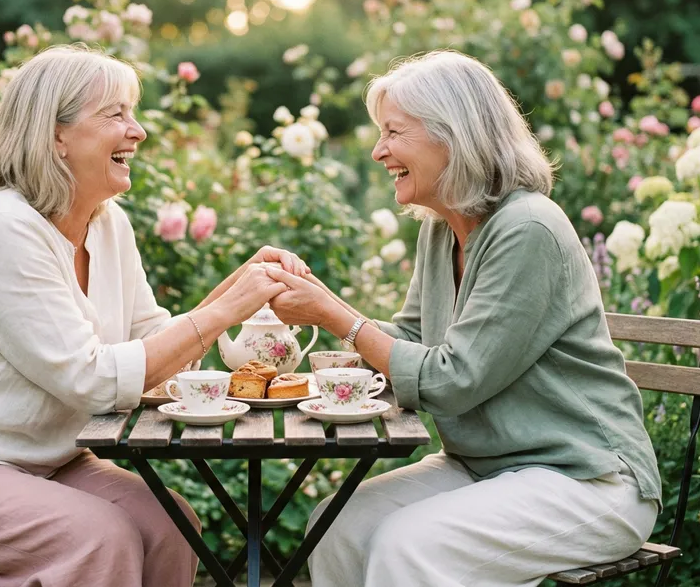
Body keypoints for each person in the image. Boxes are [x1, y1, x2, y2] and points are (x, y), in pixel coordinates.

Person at [0, 45, 305, 587]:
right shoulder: (4, 228)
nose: (137, 131)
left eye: (132, 113)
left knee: (171, 525)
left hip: (42, 463)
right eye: (115, 114)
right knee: (99, 535)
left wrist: (236, 290)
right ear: (55, 135)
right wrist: (224, 310)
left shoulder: (108, 224)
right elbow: (91, 380)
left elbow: (153, 344)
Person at [265, 50, 661, 587]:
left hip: (586, 479)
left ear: (454, 135)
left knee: (410, 548)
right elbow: (408, 338)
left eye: (394, 132)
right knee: (335, 526)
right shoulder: (440, 228)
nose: (379, 151)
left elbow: (454, 380)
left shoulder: (527, 229)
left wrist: (336, 317)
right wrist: (320, 302)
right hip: (487, 465)